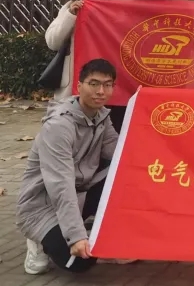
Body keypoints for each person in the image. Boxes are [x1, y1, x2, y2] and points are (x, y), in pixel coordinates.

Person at [18, 58, 119, 275]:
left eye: (107, 85)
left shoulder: (102, 117)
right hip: (43, 205)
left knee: (123, 176)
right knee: (80, 262)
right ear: (79, 86)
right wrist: (77, 236)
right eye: (94, 84)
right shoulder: (59, 126)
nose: (101, 91)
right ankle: (38, 239)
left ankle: (91, 229)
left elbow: (121, 155)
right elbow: (60, 185)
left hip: (79, 193)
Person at [45, 0, 121, 106]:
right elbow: (52, 42)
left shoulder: (117, 11)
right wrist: (71, 15)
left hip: (107, 84)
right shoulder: (70, 8)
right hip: (72, 86)